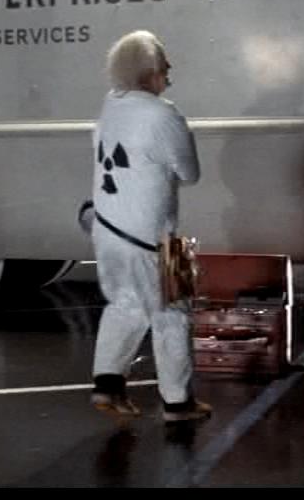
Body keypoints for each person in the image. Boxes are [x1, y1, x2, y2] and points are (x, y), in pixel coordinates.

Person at [88, 30, 212, 423]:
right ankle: (178, 403)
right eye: (164, 66)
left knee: (123, 304)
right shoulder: (163, 114)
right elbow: (189, 173)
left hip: (108, 228)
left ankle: (107, 383)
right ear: (150, 72)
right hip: (154, 236)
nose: (169, 73)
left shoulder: (111, 105)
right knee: (175, 314)